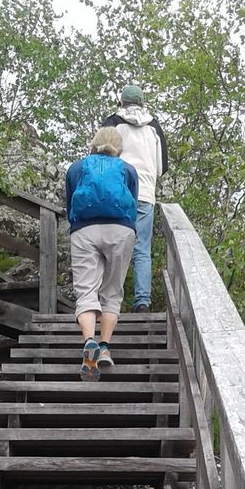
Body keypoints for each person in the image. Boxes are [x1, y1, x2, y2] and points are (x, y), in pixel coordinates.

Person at [65, 127, 138, 381]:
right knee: (112, 292)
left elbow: (69, 206)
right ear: (119, 148)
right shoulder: (128, 170)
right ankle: (105, 348)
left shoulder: (76, 168)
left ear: (93, 145)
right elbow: (133, 206)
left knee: (86, 291)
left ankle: (89, 341)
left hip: (84, 231)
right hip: (121, 231)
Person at [101, 85, 168, 312]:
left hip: (117, 192)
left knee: (112, 247)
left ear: (121, 102)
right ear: (142, 103)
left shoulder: (113, 122)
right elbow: (161, 168)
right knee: (142, 249)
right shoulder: (154, 127)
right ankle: (142, 303)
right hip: (145, 194)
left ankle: (108, 303)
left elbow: (100, 158)